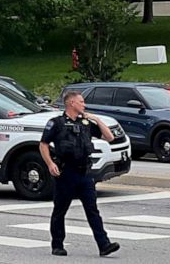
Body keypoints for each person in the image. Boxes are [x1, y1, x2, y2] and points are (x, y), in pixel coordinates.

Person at [40, 91, 120, 257]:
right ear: (71, 103)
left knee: (92, 210)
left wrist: (96, 119)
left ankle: (104, 244)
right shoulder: (56, 123)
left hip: (84, 173)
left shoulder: (86, 123)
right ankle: (57, 245)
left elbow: (109, 137)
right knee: (60, 210)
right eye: (81, 102)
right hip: (65, 173)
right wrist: (50, 163)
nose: (84, 105)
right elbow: (43, 144)